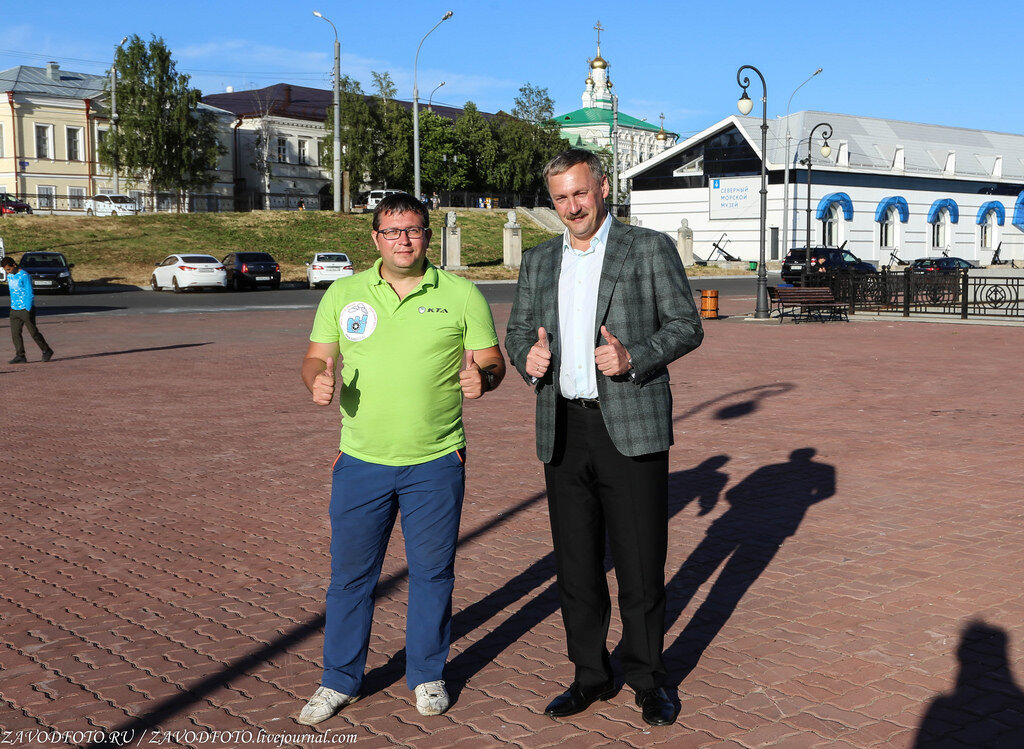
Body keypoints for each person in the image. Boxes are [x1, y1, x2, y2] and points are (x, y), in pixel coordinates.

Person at [505, 149, 703, 727]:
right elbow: (518, 331)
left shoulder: (647, 248)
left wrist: (632, 356)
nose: (572, 207)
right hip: (564, 427)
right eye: (561, 197)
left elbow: (686, 326)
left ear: (603, 188)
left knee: (641, 564)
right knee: (576, 566)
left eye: (580, 194)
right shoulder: (540, 261)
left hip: (631, 425)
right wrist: (529, 356)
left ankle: (647, 677)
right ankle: (589, 674)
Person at [298, 192, 505, 724]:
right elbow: (316, 358)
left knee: (433, 573)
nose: (402, 241)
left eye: (412, 230)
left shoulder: (461, 295)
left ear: (427, 236)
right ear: (375, 238)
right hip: (361, 459)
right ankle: (338, 680)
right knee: (350, 577)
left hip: (436, 460)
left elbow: (491, 360)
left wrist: (484, 377)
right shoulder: (344, 293)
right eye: (391, 232)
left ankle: (428, 674)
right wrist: (316, 382)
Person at [2, 256, 53, 364]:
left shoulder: (24, 275)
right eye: (6, 270)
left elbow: (29, 293)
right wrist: (13, 306)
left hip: (26, 309)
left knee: (33, 332)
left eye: (9, 269)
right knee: (15, 333)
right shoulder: (10, 276)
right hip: (14, 309)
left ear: (14, 265)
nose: (8, 272)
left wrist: (28, 308)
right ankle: (20, 355)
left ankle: (46, 350)